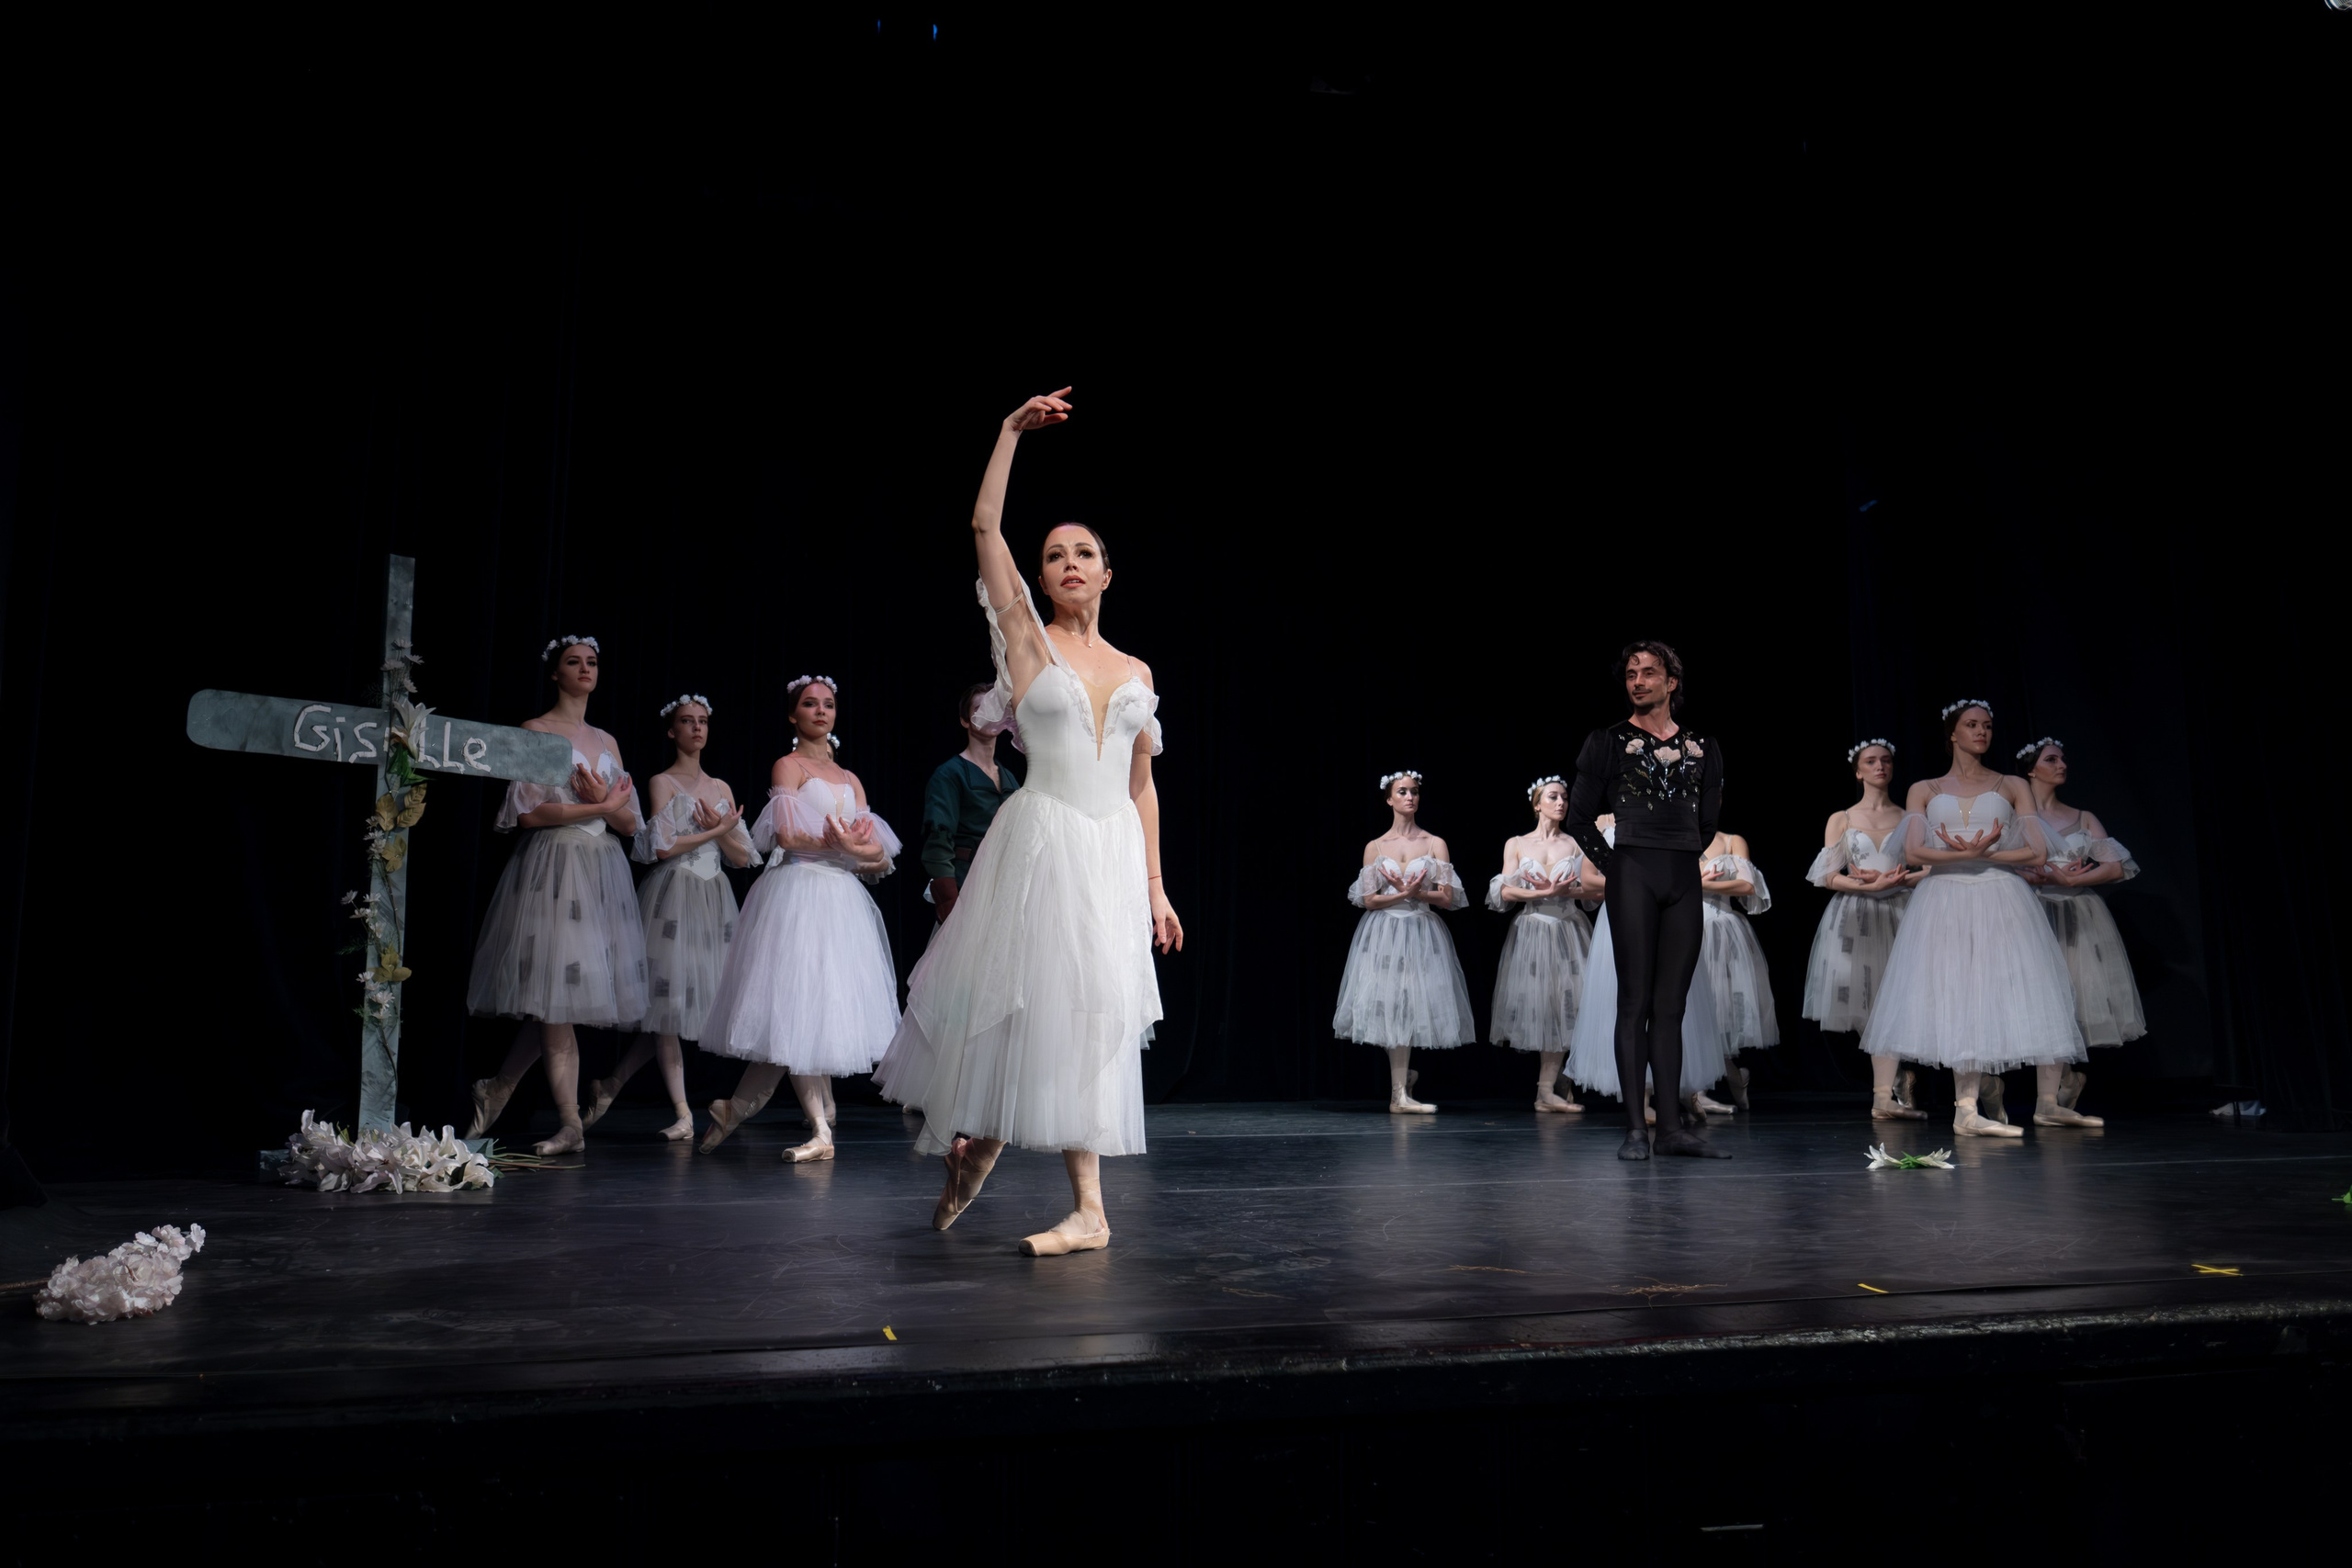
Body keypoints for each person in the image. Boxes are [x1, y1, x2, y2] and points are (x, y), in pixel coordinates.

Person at [873, 388, 1182, 1257]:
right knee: (1020, 1006)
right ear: (1041, 576)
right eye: (1055, 555)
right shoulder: (1025, 640)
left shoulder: (1135, 667)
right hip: (1042, 837)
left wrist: (1158, 886)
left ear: (1109, 572)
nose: (1070, 563)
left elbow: (1142, 784)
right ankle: (978, 1147)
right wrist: (1009, 433)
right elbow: (982, 527)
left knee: (1088, 1018)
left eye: (1085, 553)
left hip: (1111, 851)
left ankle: (1088, 1208)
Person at [1860, 701, 2096, 1136]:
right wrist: (1961, 854)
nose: (1981, 733)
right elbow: (1913, 852)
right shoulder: (1924, 789)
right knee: (1960, 993)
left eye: (1987, 726)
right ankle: (1965, 1109)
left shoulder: (2010, 785)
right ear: (1953, 733)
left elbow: (2037, 851)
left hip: (2000, 893)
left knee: (2029, 988)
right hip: (1946, 897)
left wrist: (1985, 854)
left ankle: (2048, 1103)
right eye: (1971, 726)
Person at [695, 676, 901, 1163]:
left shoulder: (851, 779)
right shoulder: (788, 766)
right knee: (799, 1006)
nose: (821, 711)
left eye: (828, 704)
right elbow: (786, 833)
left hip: (839, 899)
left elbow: (876, 851)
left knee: (805, 1012)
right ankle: (820, 1132)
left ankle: (735, 1107)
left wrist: (856, 850)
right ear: (794, 715)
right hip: (799, 892)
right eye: (810, 704)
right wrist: (842, 845)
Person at [464, 636, 648, 1156]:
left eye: (592, 662)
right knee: (555, 997)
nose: (586, 669)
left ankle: (498, 1087)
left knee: (556, 998)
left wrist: (605, 806)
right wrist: (598, 806)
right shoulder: (537, 732)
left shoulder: (607, 741)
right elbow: (528, 814)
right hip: (556, 866)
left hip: (600, 869)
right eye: (574, 662)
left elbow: (632, 822)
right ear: (555, 674)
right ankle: (571, 1123)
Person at [1565, 642, 1730, 1160]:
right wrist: (1618, 871)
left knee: (1671, 1007)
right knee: (1633, 1002)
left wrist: (1677, 856)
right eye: (1631, 674)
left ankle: (1673, 1129)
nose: (1638, 681)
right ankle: (1637, 1128)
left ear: (1671, 682)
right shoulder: (1607, 741)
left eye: (1649, 673)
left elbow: (1707, 823)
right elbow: (1579, 818)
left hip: (1681, 875)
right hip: (1631, 872)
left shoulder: (1703, 746)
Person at [581, 694, 753, 1142]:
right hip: (674, 896)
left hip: (713, 898)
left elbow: (741, 857)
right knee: (667, 1005)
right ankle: (683, 1113)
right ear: (672, 731)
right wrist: (715, 830)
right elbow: (660, 848)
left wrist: (722, 828)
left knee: (670, 1011)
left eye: (702, 722)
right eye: (686, 721)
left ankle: (612, 1084)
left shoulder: (720, 787)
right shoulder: (661, 782)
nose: (696, 728)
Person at [1801, 739, 1928, 1120]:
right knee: (1863, 1006)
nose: (1880, 767)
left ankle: (1884, 1095)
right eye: (1871, 762)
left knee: (1894, 1000)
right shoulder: (1842, 818)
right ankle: (1890, 1087)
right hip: (1854, 916)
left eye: (1886, 761)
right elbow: (1826, 876)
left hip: (1899, 913)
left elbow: (1933, 868)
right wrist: (1866, 885)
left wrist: (1899, 881)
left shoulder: (1910, 817)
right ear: (1857, 771)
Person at [1334, 771, 1476, 1113]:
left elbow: (1448, 897)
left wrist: (1416, 893)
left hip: (1420, 930)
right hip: (1384, 931)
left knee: (1411, 1003)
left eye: (1414, 792)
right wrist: (1402, 894)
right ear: (1389, 799)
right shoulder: (1376, 846)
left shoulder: (1433, 843)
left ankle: (1400, 1091)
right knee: (1387, 1004)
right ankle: (1400, 1086)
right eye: (1402, 792)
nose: (1410, 797)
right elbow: (1367, 899)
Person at [2020, 736, 2146, 1112]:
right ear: (2031, 770)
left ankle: (2055, 1089)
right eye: (2052, 759)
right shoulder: (2016, 817)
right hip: (2029, 915)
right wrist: (2031, 875)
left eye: (2062, 760)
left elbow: (2115, 866)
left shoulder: (2082, 817)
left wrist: (2069, 880)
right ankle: (2052, 1083)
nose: (2062, 765)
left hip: (2076, 914)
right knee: (2031, 996)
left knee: (2066, 996)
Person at [1487, 775, 1594, 1112]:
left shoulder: (1576, 844)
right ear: (1537, 804)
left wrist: (1567, 892)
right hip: (1533, 929)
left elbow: (1598, 889)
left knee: (1568, 1003)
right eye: (1553, 797)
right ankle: (1549, 1086)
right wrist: (1543, 893)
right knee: (1541, 1004)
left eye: (1564, 797)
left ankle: (1549, 1086)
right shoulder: (1517, 843)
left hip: (1568, 928)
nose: (1561, 802)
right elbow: (1504, 890)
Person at [921, 682, 1022, 927]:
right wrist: (950, 904)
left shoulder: (1010, 778)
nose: (989, 714)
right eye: (980, 708)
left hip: (1006, 886)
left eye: (995, 707)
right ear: (965, 721)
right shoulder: (950, 774)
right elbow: (937, 843)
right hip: (968, 883)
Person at [1695, 830, 1778, 1111]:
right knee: (1691, 1011)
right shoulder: (1672, 836)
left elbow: (1747, 886)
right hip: (1684, 929)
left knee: (1716, 1008)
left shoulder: (1732, 840)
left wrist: (1697, 884)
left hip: (1721, 932)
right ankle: (1732, 1077)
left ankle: (1701, 1089)